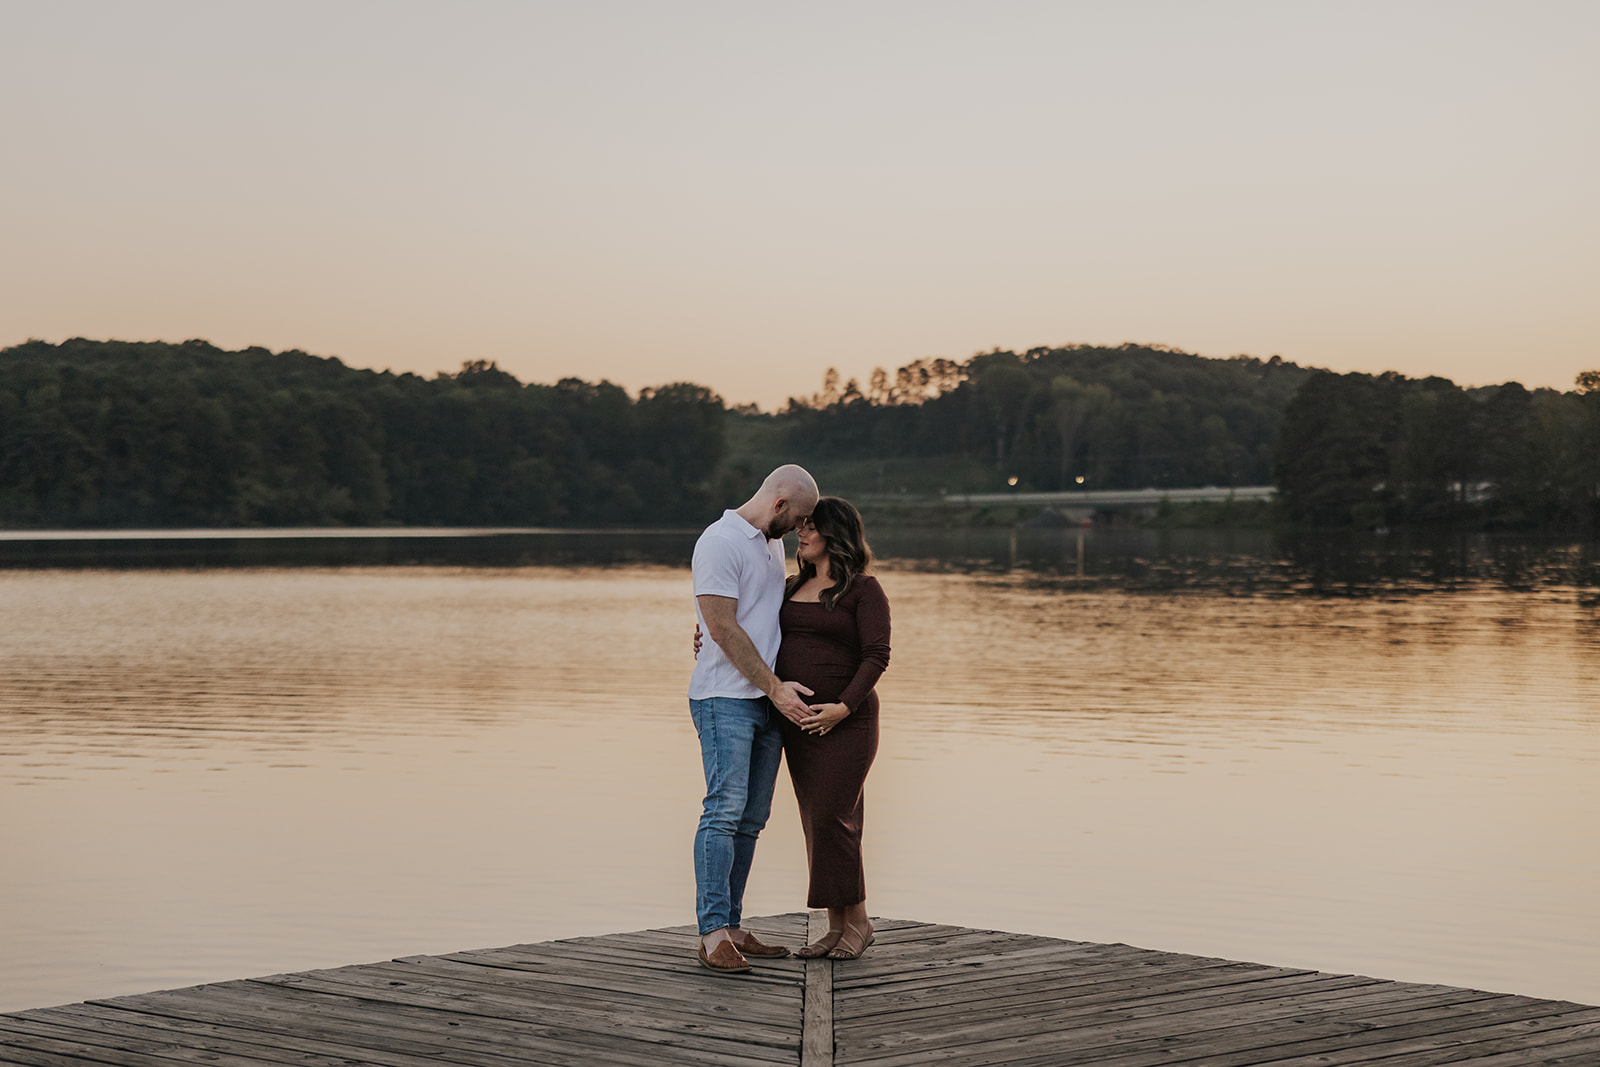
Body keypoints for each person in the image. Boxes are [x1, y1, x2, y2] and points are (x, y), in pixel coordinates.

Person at [688, 464, 820, 975]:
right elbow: (721, 627)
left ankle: (734, 927)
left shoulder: (769, 543)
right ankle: (711, 933)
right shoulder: (720, 541)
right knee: (723, 810)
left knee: (751, 818)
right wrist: (775, 690)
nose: (802, 530)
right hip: (725, 698)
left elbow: (754, 618)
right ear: (781, 504)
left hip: (765, 701)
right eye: (801, 519)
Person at [777, 497, 890, 961]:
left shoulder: (864, 590)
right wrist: (703, 633)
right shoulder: (788, 587)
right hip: (800, 726)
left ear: (834, 534)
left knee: (834, 818)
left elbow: (876, 656)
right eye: (799, 527)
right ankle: (834, 925)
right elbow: (744, 627)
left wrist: (842, 707)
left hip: (848, 723)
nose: (800, 534)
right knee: (817, 822)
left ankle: (859, 924)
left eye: (809, 527)